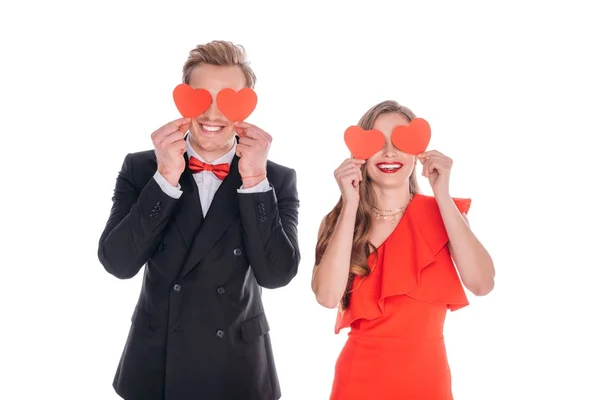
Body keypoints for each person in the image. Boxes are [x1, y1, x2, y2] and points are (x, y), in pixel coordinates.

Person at [97, 40, 300, 400]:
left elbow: (277, 275)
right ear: (182, 98)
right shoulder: (141, 167)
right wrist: (165, 179)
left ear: (247, 105)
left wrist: (254, 182)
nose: (212, 113)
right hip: (156, 365)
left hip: (239, 368)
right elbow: (118, 263)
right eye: (200, 97)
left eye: (227, 99)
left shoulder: (275, 178)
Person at [312, 100, 495, 399]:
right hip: (357, 383)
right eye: (377, 142)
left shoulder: (443, 215)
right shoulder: (342, 222)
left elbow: (482, 283)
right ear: (360, 153)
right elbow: (327, 296)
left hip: (428, 385)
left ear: (418, 152)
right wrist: (350, 203)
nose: (389, 153)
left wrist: (442, 194)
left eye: (400, 142)